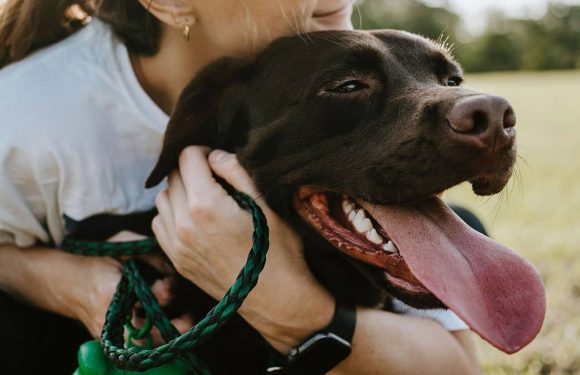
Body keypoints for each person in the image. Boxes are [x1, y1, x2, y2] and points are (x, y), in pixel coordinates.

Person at [0, 0, 480, 374]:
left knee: (462, 225)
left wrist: (281, 299)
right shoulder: (26, 118)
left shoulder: (326, 64)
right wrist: (75, 286)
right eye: (349, 86)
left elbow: (456, 369)